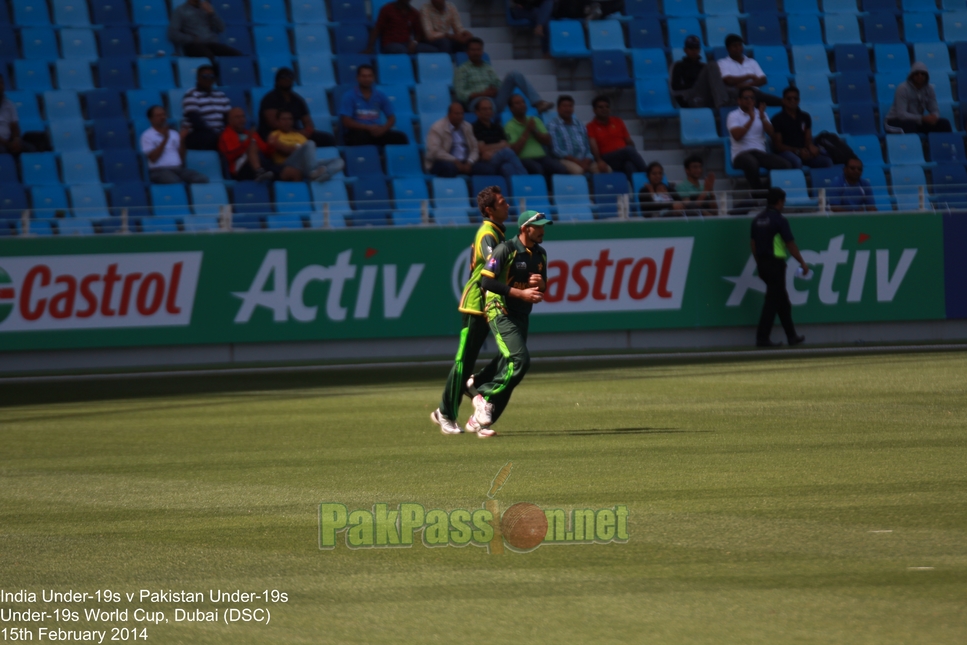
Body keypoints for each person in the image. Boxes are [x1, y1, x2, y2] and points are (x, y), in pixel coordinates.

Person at [431, 185, 510, 437]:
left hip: (486, 303)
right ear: (489, 210)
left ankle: (471, 386)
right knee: (463, 360)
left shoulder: (495, 232)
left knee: (481, 358)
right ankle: (445, 412)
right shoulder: (488, 234)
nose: (507, 204)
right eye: (501, 202)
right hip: (477, 303)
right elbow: (492, 268)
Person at [471, 209, 551, 434]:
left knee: (509, 366)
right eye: (540, 227)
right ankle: (483, 395)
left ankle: (479, 412)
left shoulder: (541, 253)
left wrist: (541, 285)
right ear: (526, 228)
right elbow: (486, 283)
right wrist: (521, 293)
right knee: (519, 360)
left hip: (522, 314)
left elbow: (543, 283)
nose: (543, 231)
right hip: (500, 310)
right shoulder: (506, 249)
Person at [751, 188, 808, 347]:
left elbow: (753, 244)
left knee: (782, 302)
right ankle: (762, 338)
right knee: (772, 302)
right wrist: (802, 262)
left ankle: (791, 336)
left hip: (763, 263)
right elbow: (790, 244)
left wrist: (759, 263)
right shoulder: (779, 220)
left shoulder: (757, 220)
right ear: (780, 202)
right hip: (776, 264)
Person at [454, 38, 553, 113]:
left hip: (496, 99)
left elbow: (497, 83)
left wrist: (495, 90)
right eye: (473, 50)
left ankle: (538, 103)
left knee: (514, 74)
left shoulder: (487, 67)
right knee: (486, 103)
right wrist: (483, 94)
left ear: (482, 51)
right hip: (476, 102)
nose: (476, 53)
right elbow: (460, 94)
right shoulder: (462, 70)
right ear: (467, 52)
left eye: (478, 50)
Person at [728, 87, 791, 193]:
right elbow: (737, 136)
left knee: (785, 165)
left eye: (752, 98)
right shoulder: (733, 115)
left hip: (759, 153)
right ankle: (758, 193)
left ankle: (762, 191)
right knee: (752, 163)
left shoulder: (761, 113)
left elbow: (772, 134)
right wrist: (751, 119)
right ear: (739, 100)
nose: (749, 100)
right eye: (746, 98)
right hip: (741, 154)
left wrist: (762, 118)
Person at [257, 68, 335, 148]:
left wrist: (307, 131)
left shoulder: (297, 100)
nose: (287, 79)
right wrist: (297, 133)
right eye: (283, 77)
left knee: (328, 139)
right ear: (277, 80)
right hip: (275, 134)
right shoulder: (269, 99)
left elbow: (308, 123)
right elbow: (274, 124)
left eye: (290, 77)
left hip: (295, 134)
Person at [338, 65, 409, 147]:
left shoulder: (380, 95)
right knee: (361, 138)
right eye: (363, 76)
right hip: (358, 131)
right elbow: (346, 121)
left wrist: (383, 129)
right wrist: (367, 127)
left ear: (373, 78)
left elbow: (391, 118)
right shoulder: (349, 96)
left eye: (369, 76)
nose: (367, 79)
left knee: (400, 138)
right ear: (357, 78)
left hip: (377, 131)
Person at [268, 110, 345, 182]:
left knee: (339, 161)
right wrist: (296, 149)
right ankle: (314, 172)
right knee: (310, 143)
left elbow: (307, 153)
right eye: (284, 119)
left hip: (305, 166)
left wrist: (293, 148)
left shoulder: (299, 136)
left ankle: (321, 175)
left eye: (290, 119)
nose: (287, 122)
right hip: (288, 164)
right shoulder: (274, 135)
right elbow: (283, 150)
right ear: (278, 122)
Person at [141, 106, 209, 184]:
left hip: (178, 169)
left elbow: (181, 158)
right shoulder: (147, 135)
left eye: (164, 114)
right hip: (158, 171)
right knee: (175, 181)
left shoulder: (174, 133)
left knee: (202, 178)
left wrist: (182, 140)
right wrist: (165, 139)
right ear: (151, 119)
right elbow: (153, 158)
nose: (162, 117)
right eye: (158, 115)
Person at [586, 95, 647, 181]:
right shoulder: (591, 126)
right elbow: (593, 147)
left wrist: (631, 153)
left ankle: (639, 190)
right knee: (628, 150)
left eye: (607, 107)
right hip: (607, 158)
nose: (604, 109)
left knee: (629, 165)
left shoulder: (618, 121)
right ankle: (649, 175)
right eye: (601, 107)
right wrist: (599, 160)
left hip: (622, 157)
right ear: (594, 110)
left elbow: (628, 141)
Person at [770, 86, 833, 170]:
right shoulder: (777, 119)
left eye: (795, 98)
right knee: (797, 161)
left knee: (827, 161)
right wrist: (797, 151)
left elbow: (808, 138)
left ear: (798, 100)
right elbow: (778, 146)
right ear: (783, 101)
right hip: (786, 153)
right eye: (789, 98)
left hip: (804, 152)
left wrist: (810, 147)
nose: (792, 101)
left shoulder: (805, 116)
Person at [505, 94, 567, 176]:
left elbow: (548, 141)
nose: (522, 105)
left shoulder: (535, 120)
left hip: (542, 157)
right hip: (523, 159)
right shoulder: (509, 126)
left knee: (561, 169)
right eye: (517, 103)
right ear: (511, 109)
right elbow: (514, 151)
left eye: (523, 102)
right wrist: (527, 130)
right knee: (537, 169)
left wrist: (534, 131)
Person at [547, 95, 608, 175]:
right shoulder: (553, 125)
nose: (568, 109)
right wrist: (577, 162)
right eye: (564, 106)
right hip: (565, 160)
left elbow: (587, 146)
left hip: (584, 161)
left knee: (606, 169)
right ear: (558, 109)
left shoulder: (579, 124)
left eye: (570, 106)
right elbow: (556, 150)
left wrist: (587, 160)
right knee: (578, 171)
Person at [885, 62, 952, 134]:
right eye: (916, 74)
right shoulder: (903, 88)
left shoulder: (929, 89)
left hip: (916, 121)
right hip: (894, 121)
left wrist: (934, 117)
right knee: (910, 125)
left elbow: (935, 109)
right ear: (912, 75)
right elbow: (901, 115)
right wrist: (922, 118)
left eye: (922, 74)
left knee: (944, 124)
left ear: (926, 76)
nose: (920, 76)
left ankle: (945, 145)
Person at [471, 98, 529, 180]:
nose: (488, 111)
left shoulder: (497, 127)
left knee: (507, 167)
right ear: (477, 112)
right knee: (507, 152)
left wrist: (492, 150)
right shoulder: (474, 128)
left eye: (490, 108)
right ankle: (526, 179)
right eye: (484, 109)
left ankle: (518, 189)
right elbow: (482, 149)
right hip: (486, 161)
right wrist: (500, 146)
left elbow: (507, 144)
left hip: (495, 156)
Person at [717, 34, 781, 108]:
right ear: (728, 48)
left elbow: (763, 80)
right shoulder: (722, 63)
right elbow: (728, 80)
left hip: (754, 92)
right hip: (737, 93)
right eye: (734, 46)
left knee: (780, 103)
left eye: (740, 45)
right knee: (754, 100)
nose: (738, 48)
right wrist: (749, 76)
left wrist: (747, 85)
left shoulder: (751, 62)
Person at [218, 107, 278, 182]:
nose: (241, 119)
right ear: (229, 120)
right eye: (237, 117)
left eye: (243, 116)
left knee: (286, 170)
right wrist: (248, 141)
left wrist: (271, 145)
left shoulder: (250, 133)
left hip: (260, 162)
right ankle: (258, 171)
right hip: (239, 169)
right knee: (252, 145)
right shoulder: (226, 135)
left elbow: (266, 152)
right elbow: (230, 156)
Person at [167, 0, 242, 61]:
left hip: (211, 43)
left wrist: (211, 14)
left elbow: (221, 28)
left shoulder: (208, 8)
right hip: (193, 45)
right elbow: (173, 33)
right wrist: (192, 39)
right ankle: (215, 78)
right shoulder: (180, 10)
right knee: (208, 56)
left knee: (236, 55)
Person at [182, 64, 231, 151]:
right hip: (198, 133)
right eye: (204, 76)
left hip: (219, 133)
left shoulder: (221, 95)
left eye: (211, 76)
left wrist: (225, 133)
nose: (208, 79)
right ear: (198, 78)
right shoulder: (191, 94)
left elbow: (228, 118)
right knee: (212, 139)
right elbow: (196, 121)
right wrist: (217, 135)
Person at [425, 102, 482, 176]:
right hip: (443, 161)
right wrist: (454, 160)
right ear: (449, 114)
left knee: (486, 169)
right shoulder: (437, 128)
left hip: (465, 161)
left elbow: (474, 148)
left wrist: (470, 162)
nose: (460, 116)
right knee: (450, 168)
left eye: (461, 114)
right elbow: (435, 151)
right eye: (457, 114)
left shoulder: (467, 127)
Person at [363, 0, 436, 54]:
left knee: (432, 50)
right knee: (403, 50)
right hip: (390, 44)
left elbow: (418, 33)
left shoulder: (414, 13)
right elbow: (377, 28)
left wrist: (414, 42)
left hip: (407, 43)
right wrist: (370, 47)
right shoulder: (387, 9)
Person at [0, 75, 35, 155]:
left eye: (1, 83)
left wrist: (16, 139)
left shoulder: (9, 105)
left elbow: (14, 126)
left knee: (31, 149)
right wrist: (7, 144)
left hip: (9, 140)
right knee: (2, 151)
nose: (0, 86)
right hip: (2, 143)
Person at [670, 35, 706, 108]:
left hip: (703, 95)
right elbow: (675, 86)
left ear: (699, 50)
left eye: (696, 48)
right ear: (685, 50)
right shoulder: (678, 66)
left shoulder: (703, 66)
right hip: (687, 96)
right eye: (691, 48)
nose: (694, 51)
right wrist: (694, 86)